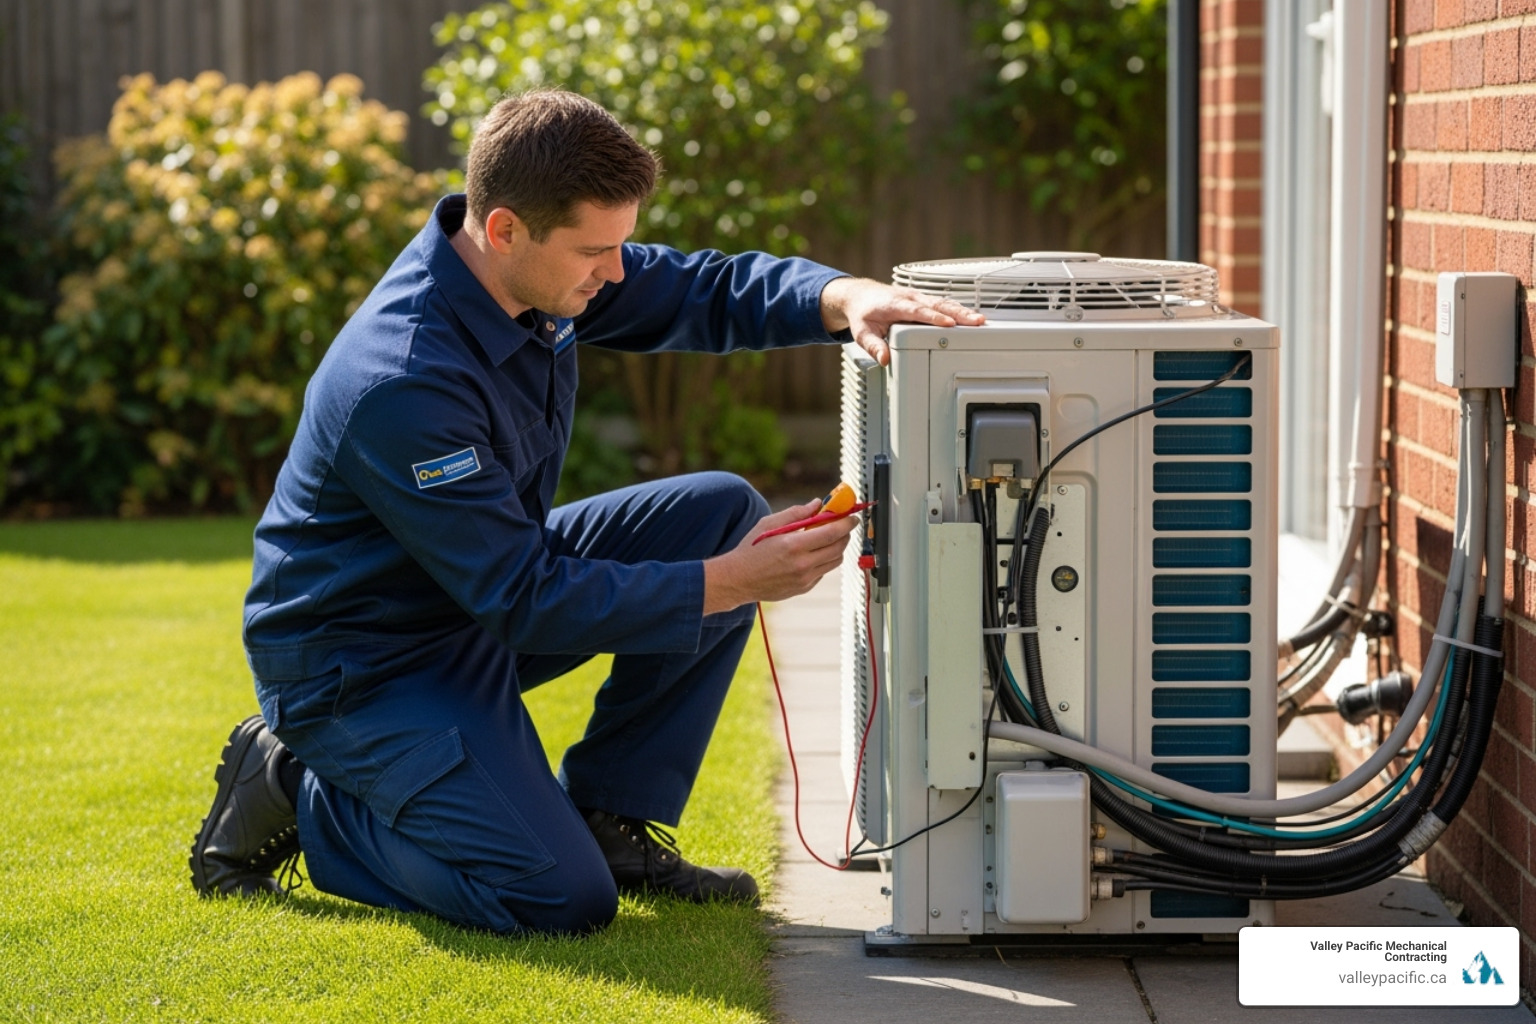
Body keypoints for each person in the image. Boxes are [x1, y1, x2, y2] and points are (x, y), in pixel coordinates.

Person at [189, 88, 983, 936]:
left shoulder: (532, 270)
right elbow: (525, 598)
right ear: (504, 229)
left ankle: (609, 819)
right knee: (554, 898)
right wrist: (727, 584)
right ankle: (300, 788)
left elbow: (698, 291)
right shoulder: (403, 381)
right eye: (595, 252)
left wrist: (841, 297)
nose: (613, 273)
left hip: (475, 594)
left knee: (717, 512)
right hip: (365, 665)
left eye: (620, 246)